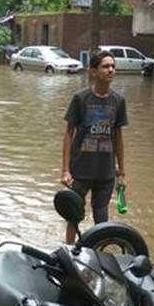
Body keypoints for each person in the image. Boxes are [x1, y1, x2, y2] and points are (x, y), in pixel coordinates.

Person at [61, 50, 128, 244]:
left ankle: (99, 254)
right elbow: (68, 134)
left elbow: (118, 137)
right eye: (105, 66)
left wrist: (122, 172)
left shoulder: (118, 101)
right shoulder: (81, 99)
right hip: (80, 169)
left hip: (105, 172)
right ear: (93, 71)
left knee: (102, 219)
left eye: (113, 66)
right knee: (73, 215)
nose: (111, 70)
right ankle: (69, 251)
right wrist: (65, 170)